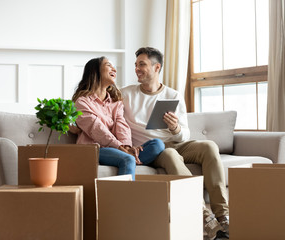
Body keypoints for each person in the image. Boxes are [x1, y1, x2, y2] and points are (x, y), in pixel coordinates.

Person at [121, 47, 229, 239]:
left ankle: (224, 216)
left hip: (175, 143)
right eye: (136, 64)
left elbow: (184, 135)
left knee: (210, 146)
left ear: (157, 67)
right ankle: (207, 219)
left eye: (142, 64)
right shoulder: (126, 94)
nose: (137, 68)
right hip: (153, 148)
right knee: (170, 154)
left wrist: (176, 129)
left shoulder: (173, 95)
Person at [72, 56, 165, 180]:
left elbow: (122, 125)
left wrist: (126, 146)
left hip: (117, 148)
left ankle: (127, 160)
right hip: (94, 149)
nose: (114, 69)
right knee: (128, 158)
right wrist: (120, 148)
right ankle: (122, 196)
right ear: (95, 71)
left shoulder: (115, 102)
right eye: (108, 65)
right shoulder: (82, 102)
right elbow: (96, 129)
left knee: (157, 144)